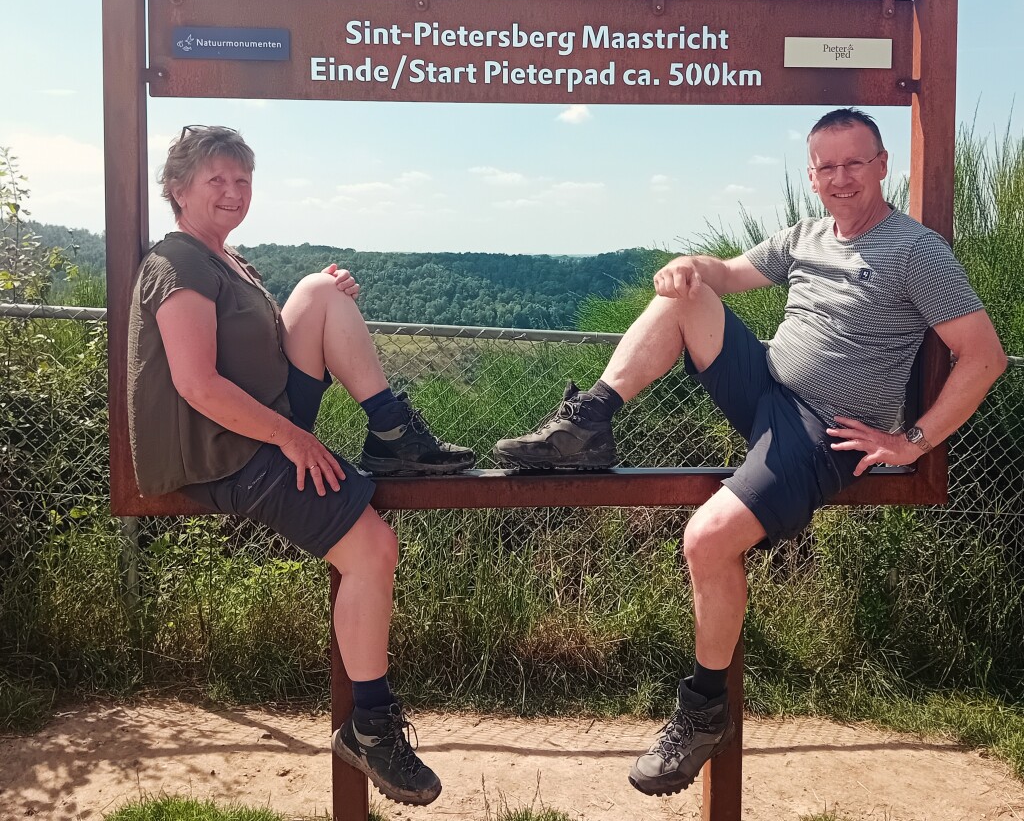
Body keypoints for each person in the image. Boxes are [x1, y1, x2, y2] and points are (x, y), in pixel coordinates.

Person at [493, 108, 1007, 797]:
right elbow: (727, 274)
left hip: (821, 430)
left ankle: (704, 709)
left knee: (706, 539)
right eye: (826, 166)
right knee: (686, 295)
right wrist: (686, 267)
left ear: (883, 166)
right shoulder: (806, 236)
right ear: (811, 175)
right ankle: (589, 422)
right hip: (766, 387)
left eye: (855, 163)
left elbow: (984, 357)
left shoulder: (916, 251)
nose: (841, 178)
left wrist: (911, 440)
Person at [127, 125, 476, 807]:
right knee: (372, 548)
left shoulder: (227, 260)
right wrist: (291, 438)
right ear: (177, 189)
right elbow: (197, 384)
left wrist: (328, 297)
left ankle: (393, 433)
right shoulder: (179, 263)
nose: (233, 192)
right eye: (216, 180)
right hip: (227, 452)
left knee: (321, 289)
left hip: (262, 423)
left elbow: (272, 339)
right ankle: (370, 728)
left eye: (242, 180)